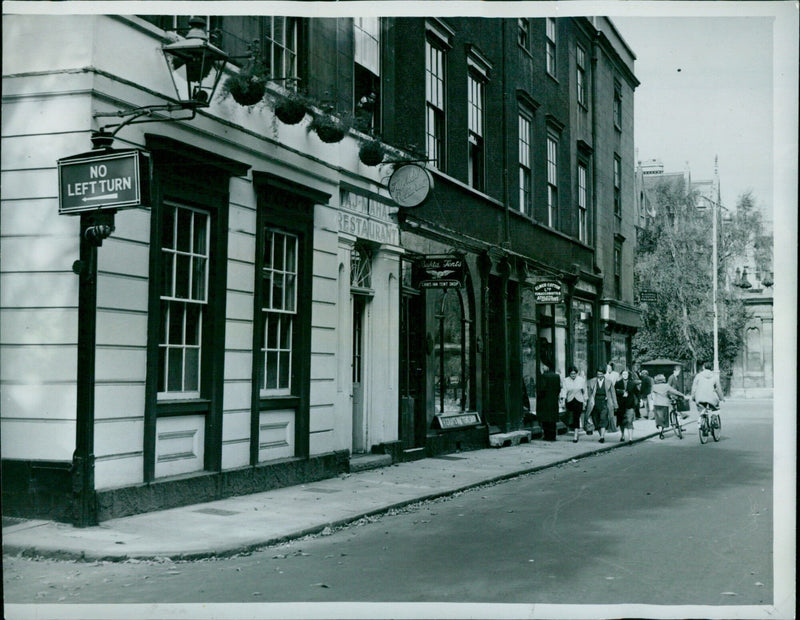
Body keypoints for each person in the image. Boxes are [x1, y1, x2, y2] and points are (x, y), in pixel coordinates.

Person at [585, 367, 618, 443]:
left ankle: (602, 436)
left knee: (603, 418)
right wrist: (588, 402)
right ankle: (601, 435)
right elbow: (589, 393)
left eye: (601, 374)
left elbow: (613, 394)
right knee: (596, 420)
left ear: (604, 374)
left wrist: (615, 404)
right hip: (594, 402)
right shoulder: (592, 381)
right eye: (598, 374)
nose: (599, 375)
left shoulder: (609, 382)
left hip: (605, 402)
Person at [691, 361, 724, 426]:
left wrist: (693, 397)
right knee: (715, 408)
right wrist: (721, 398)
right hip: (712, 398)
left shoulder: (698, 376)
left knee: (701, 409)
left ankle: (703, 423)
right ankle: (714, 418)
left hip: (700, 397)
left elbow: (694, 388)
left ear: (703, 367)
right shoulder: (714, 377)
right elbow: (718, 389)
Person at [536, 364, 562, 441]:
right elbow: (558, 389)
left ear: (546, 367)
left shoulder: (543, 376)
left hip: (545, 401)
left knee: (546, 419)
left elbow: (542, 390)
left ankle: (547, 436)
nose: (542, 368)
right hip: (553, 401)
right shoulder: (557, 376)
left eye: (543, 366)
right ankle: (553, 436)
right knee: (552, 420)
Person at [562, 365, 587, 443]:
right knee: (570, 417)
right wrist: (563, 401)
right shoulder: (566, 380)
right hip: (570, 401)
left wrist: (585, 401)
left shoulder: (581, 380)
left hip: (579, 400)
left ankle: (575, 435)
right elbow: (564, 390)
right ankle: (572, 430)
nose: (573, 375)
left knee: (576, 417)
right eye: (571, 374)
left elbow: (584, 391)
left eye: (574, 374)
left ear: (577, 373)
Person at [615, 369, 639, 442]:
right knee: (622, 421)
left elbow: (637, 393)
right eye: (623, 374)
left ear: (628, 375)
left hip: (630, 404)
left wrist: (638, 402)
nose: (625, 375)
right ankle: (622, 435)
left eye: (626, 374)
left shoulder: (632, 383)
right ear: (621, 375)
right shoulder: (618, 383)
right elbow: (614, 393)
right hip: (621, 405)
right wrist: (621, 392)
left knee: (629, 420)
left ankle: (630, 438)